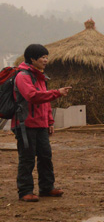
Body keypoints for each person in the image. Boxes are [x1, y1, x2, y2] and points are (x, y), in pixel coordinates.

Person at [12, 44, 71, 202]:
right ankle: (25, 191)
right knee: (27, 158)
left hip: (41, 125)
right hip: (25, 124)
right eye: (42, 57)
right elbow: (33, 96)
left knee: (45, 156)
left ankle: (47, 187)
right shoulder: (23, 76)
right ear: (32, 59)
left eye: (46, 57)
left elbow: (45, 103)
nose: (46, 60)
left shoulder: (40, 77)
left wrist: (50, 121)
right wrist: (57, 93)